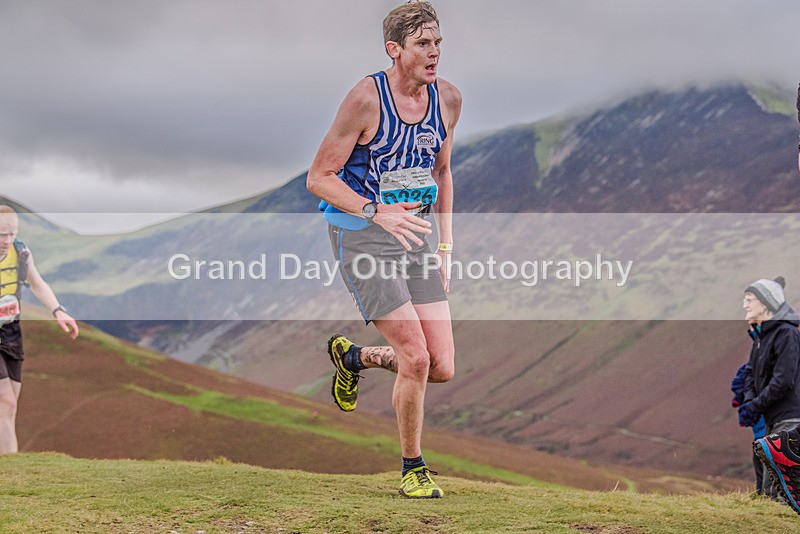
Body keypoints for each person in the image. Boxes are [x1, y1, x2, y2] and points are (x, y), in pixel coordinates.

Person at [306, 1, 461, 498]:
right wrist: (376, 212)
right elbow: (319, 178)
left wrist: (445, 244)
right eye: (422, 44)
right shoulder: (365, 100)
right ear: (394, 50)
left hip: (414, 234)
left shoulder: (449, 100)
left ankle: (354, 358)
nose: (434, 53)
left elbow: (441, 172)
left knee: (441, 366)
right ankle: (413, 469)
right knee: (414, 358)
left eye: (437, 42)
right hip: (364, 235)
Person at [0, 205, 79, 453]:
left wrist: (58, 311)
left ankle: (10, 468)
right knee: (5, 400)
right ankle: (9, 474)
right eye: (2, 234)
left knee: (11, 407)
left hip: (11, 332)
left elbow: (37, 284)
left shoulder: (21, 253)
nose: (7, 240)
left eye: (12, 234)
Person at [737, 277, 800, 511]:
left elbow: (783, 380)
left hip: (791, 419)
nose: (745, 304)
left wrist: (755, 405)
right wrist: (752, 402)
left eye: (749, 299)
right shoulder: (761, 338)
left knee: (778, 490)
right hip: (773, 418)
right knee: (767, 488)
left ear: (766, 303)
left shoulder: (786, 334)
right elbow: (751, 373)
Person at [731, 362, 766, 494]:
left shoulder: (753, 367)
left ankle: (764, 499)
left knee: (764, 472)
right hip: (770, 430)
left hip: (763, 433)